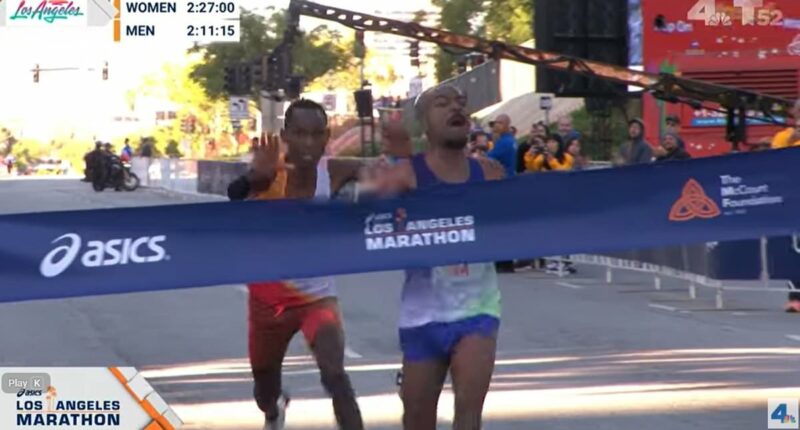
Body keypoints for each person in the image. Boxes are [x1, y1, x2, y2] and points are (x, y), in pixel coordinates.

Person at [364, 85, 505, 430]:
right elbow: (360, 218)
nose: (455, 108)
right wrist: (391, 166)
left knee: (468, 417)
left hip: (478, 311)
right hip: (422, 315)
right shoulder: (405, 174)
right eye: (442, 104)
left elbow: (529, 216)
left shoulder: (491, 174)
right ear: (424, 124)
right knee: (416, 420)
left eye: (461, 102)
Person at [227, 99, 364, 430]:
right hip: (268, 301)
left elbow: (397, 174)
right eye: (299, 133)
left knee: (335, 375)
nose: (307, 143)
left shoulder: (334, 171)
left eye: (316, 134)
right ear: (285, 134)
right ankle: (274, 410)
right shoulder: (268, 172)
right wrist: (254, 177)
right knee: (264, 388)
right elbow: (235, 193)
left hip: (317, 299)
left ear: (326, 136)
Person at [487, 114, 516, 178]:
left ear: (507, 125)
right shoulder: (511, 139)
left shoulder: (504, 142)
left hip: (505, 178)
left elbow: (489, 158)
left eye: (500, 123)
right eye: (496, 122)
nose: (496, 125)